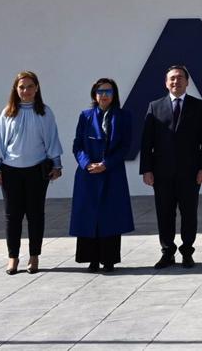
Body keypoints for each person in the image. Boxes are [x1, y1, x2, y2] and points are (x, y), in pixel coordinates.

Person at [0, 71, 63, 275]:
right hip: (10, 171)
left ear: (36, 88)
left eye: (30, 86)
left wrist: (57, 165)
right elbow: (0, 142)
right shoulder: (8, 112)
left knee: (35, 215)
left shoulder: (45, 112)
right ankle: (13, 257)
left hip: (36, 171)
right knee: (12, 216)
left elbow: (52, 139)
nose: (26, 91)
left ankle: (34, 256)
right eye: (21, 87)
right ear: (16, 89)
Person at [140, 65, 202, 269]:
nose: (176, 81)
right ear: (166, 83)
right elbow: (146, 142)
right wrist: (146, 169)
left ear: (187, 82)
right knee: (164, 213)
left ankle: (187, 252)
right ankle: (167, 252)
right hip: (161, 173)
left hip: (190, 172)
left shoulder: (199, 106)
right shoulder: (155, 106)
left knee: (189, 213)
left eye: (180, 77)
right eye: (172, 78)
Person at [69, 78, 135, 272]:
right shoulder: (86, 116)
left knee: (110, 217)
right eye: (100, 91)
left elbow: (125, 147)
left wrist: (106, 164)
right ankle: (91, 260)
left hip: (112, 173)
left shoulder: (123, 116)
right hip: (88, 174)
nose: (104, 95)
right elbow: (77, 145)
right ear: (94, 94)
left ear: (114, 95)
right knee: (89, 216)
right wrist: (87, 164)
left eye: (108, 91)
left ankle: (109, 260)